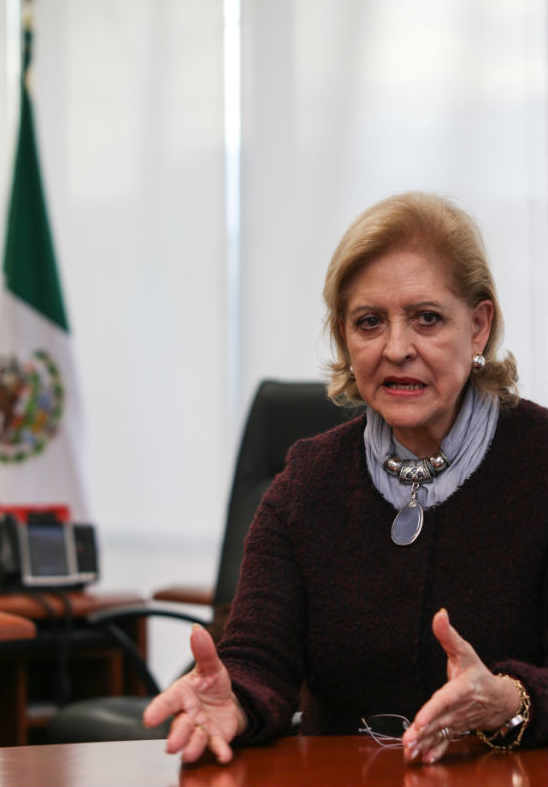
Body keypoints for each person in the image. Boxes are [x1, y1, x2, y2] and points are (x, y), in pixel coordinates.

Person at [144, 191, 547, 765]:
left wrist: (509, 700)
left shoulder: (540, 461)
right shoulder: (308, 480)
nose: (397, 348)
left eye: (427, 318)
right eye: (369, 322)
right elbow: (259, 660)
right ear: (344, 336)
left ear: (478, 326)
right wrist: (233, 699)